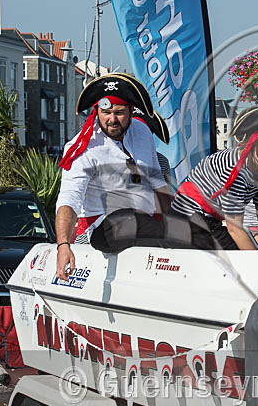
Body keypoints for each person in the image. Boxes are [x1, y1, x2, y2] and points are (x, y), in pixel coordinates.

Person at [55, 73, 171, 280]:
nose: (112, 119)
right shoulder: (82, 149)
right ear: (96, 111)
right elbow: (69, 199)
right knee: (133, 219)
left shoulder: (142, 131)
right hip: (104, 227)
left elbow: (156, 181)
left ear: (131, 111)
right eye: (106, 112)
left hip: (145, 223)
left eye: (119, 113)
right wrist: (63, 245)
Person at [169, 107, 258, 250]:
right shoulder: (236, 168)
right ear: (254, 141)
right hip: (186, 218)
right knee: (236, 257)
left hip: (208, 220)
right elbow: (234, 228)